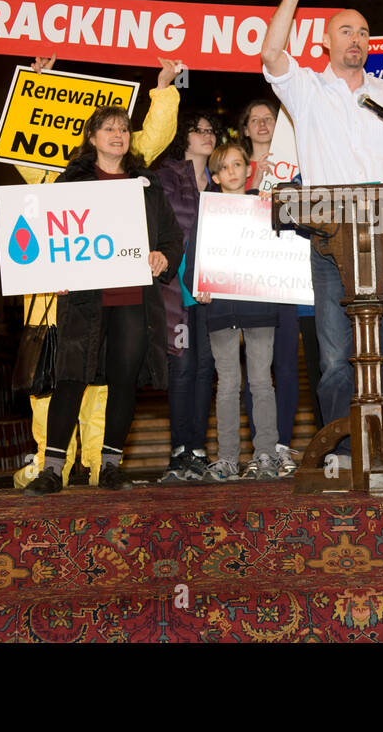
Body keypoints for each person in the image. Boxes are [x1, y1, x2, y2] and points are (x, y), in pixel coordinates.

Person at [260, 0, 383, 465]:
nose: (356, 39)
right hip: (331, 242)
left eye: (363, 32)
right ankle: (341, 447)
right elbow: (270, 54)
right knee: (335, 357)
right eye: (345, 31)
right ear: (326, 40)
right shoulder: (308, 91)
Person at [13, 55, 180, 488]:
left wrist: (163, 256)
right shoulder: (68, 183)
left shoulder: (147, 183)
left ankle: (109, 466)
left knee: (124, 382)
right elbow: (48, 237)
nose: (119, 134)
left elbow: (172, 238)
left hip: (132, 300)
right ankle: (52, 470)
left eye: (124, 128)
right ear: (92, 137)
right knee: (71, 378)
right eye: (109, 128)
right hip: (85, 300)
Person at [190, 143, 282, 481]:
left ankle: (266, 454)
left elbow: (283, 250)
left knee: (260, 381)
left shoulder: (265, 207)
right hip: (220, 308)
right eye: (224, 167)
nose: (232, 171)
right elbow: (194, 255)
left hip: (259, 305)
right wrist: (198, 285)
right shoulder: (207, 211)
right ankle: (228, 458)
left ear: (248, 169)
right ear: (215, 176)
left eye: (238, 164)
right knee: (228, 383)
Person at [156, 108, 220, 484]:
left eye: (211, 130)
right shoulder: (166, 174)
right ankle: (179, 450)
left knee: (204, 367)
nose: (206, 135)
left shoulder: (219, 180)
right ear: (185, 136)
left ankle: (198, 447)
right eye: (198, 129)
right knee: (181, 366)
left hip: (211, 287)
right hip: (175, 286)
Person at [239, 97, 302, 474]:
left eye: (269, 119)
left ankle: (282, 445)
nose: (263, 124)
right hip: (249, 280)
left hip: (289, 274)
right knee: (256, 367)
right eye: (255, 119)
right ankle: (261, 446)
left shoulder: (297, 169)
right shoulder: (233, 166)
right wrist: (252, 179)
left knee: (287, 364)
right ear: (245, 128)